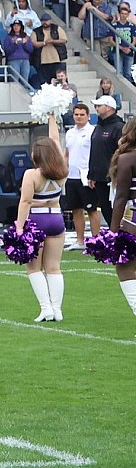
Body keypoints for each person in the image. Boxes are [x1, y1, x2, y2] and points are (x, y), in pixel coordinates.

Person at [15, 129, 69, 322]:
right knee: (54, 267)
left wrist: (19, 228)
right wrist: (52, 119)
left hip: (36, 221)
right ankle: (57, 310)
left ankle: (46, 309)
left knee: (34, 268)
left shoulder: (31, 174)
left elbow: (25, 202)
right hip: (56, 220)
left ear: (37, 154)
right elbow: (56, 141)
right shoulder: (62, 172)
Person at [105, 118, 136, 324]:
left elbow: (121, 197)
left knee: (124, 267)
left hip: (133, 220)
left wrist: (113, 232)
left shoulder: (127, 158)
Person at [87, 95, 124, 231]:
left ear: (108, 107)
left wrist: (117, 173)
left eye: (99, 105)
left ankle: (121, 235)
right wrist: (92, 174)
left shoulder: (119, 127)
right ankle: (113, 234)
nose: (96, 108)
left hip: (114, 177)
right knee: (105, 208)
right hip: (99, 177)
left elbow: (122, 152)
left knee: (116, 209)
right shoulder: (98, 127)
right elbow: (94, 151)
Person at [62, 102, 95, 247]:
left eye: (82, 114)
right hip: (71, 176)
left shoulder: (93, 131)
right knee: (76, 209)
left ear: (88, 116)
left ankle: (95, 240)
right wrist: (64, 169)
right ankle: (79, 240)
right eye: (76, 114)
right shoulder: (69, 133)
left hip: (86, 176)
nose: (79, 117)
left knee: (91, 209)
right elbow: (67, 153)